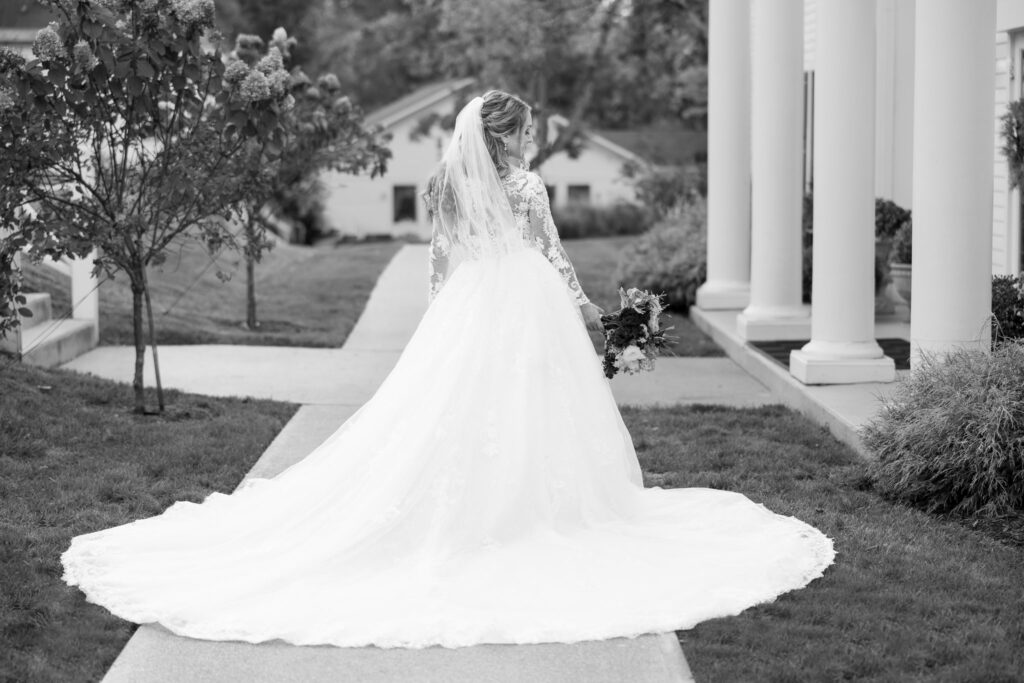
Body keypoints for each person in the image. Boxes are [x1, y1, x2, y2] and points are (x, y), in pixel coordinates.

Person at [61, 91, 835, 649]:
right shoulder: (527, 186)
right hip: (525, 299)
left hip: (472, 302)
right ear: (507, 136)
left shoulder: (450, 185)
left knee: (462, 410)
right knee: (532, 406)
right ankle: (529, 511)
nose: (531, 140)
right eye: (526, 130)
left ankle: (488, 507)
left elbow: (440, 262)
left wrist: (444, 323)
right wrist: (590, 310)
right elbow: (553, 256)